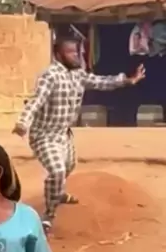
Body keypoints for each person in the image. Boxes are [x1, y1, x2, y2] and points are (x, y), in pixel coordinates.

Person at [13, 35, 146, 233]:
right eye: (71, 52)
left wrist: (128, 80)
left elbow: (101, 82)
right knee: (57, 170)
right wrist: (23, 123)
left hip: (64, 134)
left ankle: (58, 193)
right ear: (58, 54)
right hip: (44, 135)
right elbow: (36, 101)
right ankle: (49, 215)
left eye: (77, 52)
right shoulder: (49, 76)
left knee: (69, 165)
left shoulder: (78, 74)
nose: (76, 56)